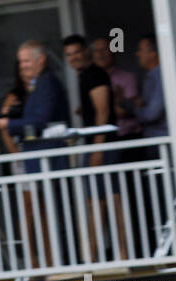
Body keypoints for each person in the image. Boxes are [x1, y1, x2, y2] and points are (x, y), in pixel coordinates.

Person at [0, 41, 69, 270]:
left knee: (49, 212)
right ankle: (41, 261)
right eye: (21, 62)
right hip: (34, 160)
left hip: (46, 159)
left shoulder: (47, 83)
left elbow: (40, 121)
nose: (23, 66)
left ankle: (53, 262)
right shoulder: (35, 85)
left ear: (41, 60)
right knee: (37, 211)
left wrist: (9, 123)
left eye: (27, 60)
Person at [64, 35, 124, 261]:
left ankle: (99, 258)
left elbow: (103, 111)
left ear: (86, 51)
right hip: (97, 146)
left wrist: (97, 150)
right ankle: (99, 256)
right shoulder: (86, 76)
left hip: (103, 147)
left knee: (107, 201)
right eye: (69, 55)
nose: (74, 58)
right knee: (101, 201)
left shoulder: (95, 74)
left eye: (77, 52)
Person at [91, 37, 140, 140]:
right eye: (96, 51)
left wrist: (102, 106)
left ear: (113, 52)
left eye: (104, 50)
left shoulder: (128, 78)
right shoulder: (91, 81)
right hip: (104, 138)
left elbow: (128, 110)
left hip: (128, 135)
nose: (100, 54)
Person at [135, 35, 167, 139]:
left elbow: (152, 114)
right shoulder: (152, 76)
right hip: (156, 138)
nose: (137, 54)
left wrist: (136, 108)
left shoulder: (161, 75)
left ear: (153, 54)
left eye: (141, 50)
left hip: (163, 139)